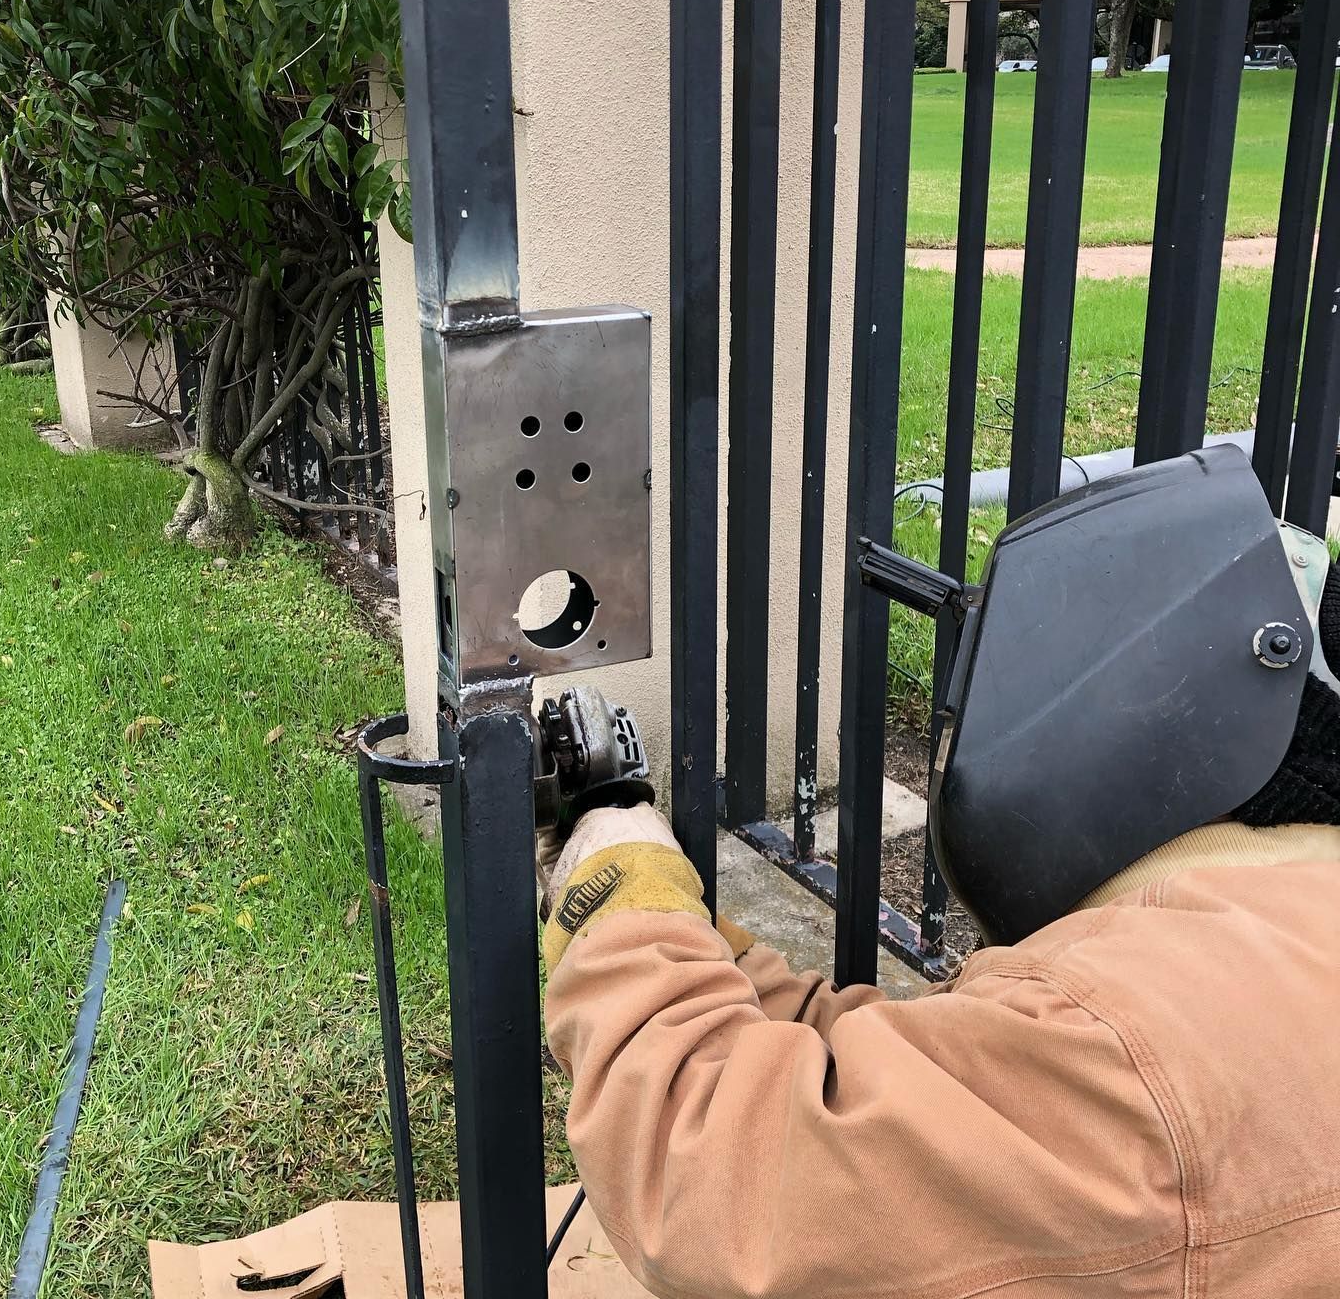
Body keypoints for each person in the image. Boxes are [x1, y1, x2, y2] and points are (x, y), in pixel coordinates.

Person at [538, 453, 1340, 1298]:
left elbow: (712, 1184)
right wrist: (698, 944)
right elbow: (926, 1095)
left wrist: (615, 898)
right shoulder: (1272, 951)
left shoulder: (1137, 1051)